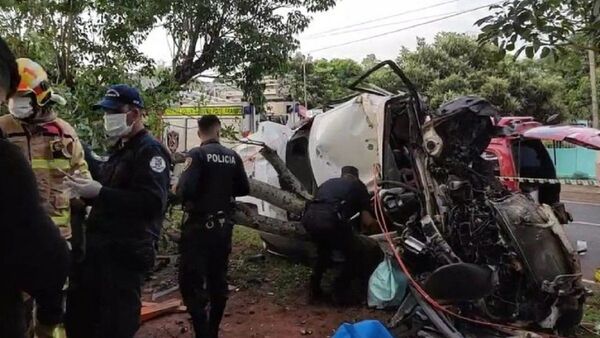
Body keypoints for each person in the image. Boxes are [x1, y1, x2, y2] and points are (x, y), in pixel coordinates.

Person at [64, 84, 171, 338]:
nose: (107, 118)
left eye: (114, 111)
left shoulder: (150, 150)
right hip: (102, 251)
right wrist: (86, 197)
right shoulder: (121, 149)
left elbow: (152, 203)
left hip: (126, 253)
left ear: (134, 113)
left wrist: (100, 193)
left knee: (116, 324)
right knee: (87, 320)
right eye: (105, 113)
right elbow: (111, 193)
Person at [0, 58, 90, 337]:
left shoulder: (64, 133)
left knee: (53, 315)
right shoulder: (3, 128)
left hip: (57, 240)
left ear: (40, 95)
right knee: (15, 312)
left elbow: (82, 176)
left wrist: (82, 194)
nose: (16, 104)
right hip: (15, 240)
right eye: (12, 98)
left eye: (22, 97)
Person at [176, 115, 250, 338]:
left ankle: (202, 333)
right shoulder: (233, 156)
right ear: (218, 131)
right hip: (222, 228)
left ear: (200, 133)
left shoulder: (197, 154)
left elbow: (185, 190)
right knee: (218, 279)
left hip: (198, 228)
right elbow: (243, 188)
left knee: (191, 281)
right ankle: (213, 331)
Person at [302, 166, 377, 304]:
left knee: (324, 251)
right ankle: (339, 291)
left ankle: (314, 289)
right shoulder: (358, 186)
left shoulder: (328, 183)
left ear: (342, 175)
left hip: (310, 219)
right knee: (355, 253)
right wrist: (379, 228)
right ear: (356, 176)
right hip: (330, 220)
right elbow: (367, 221)